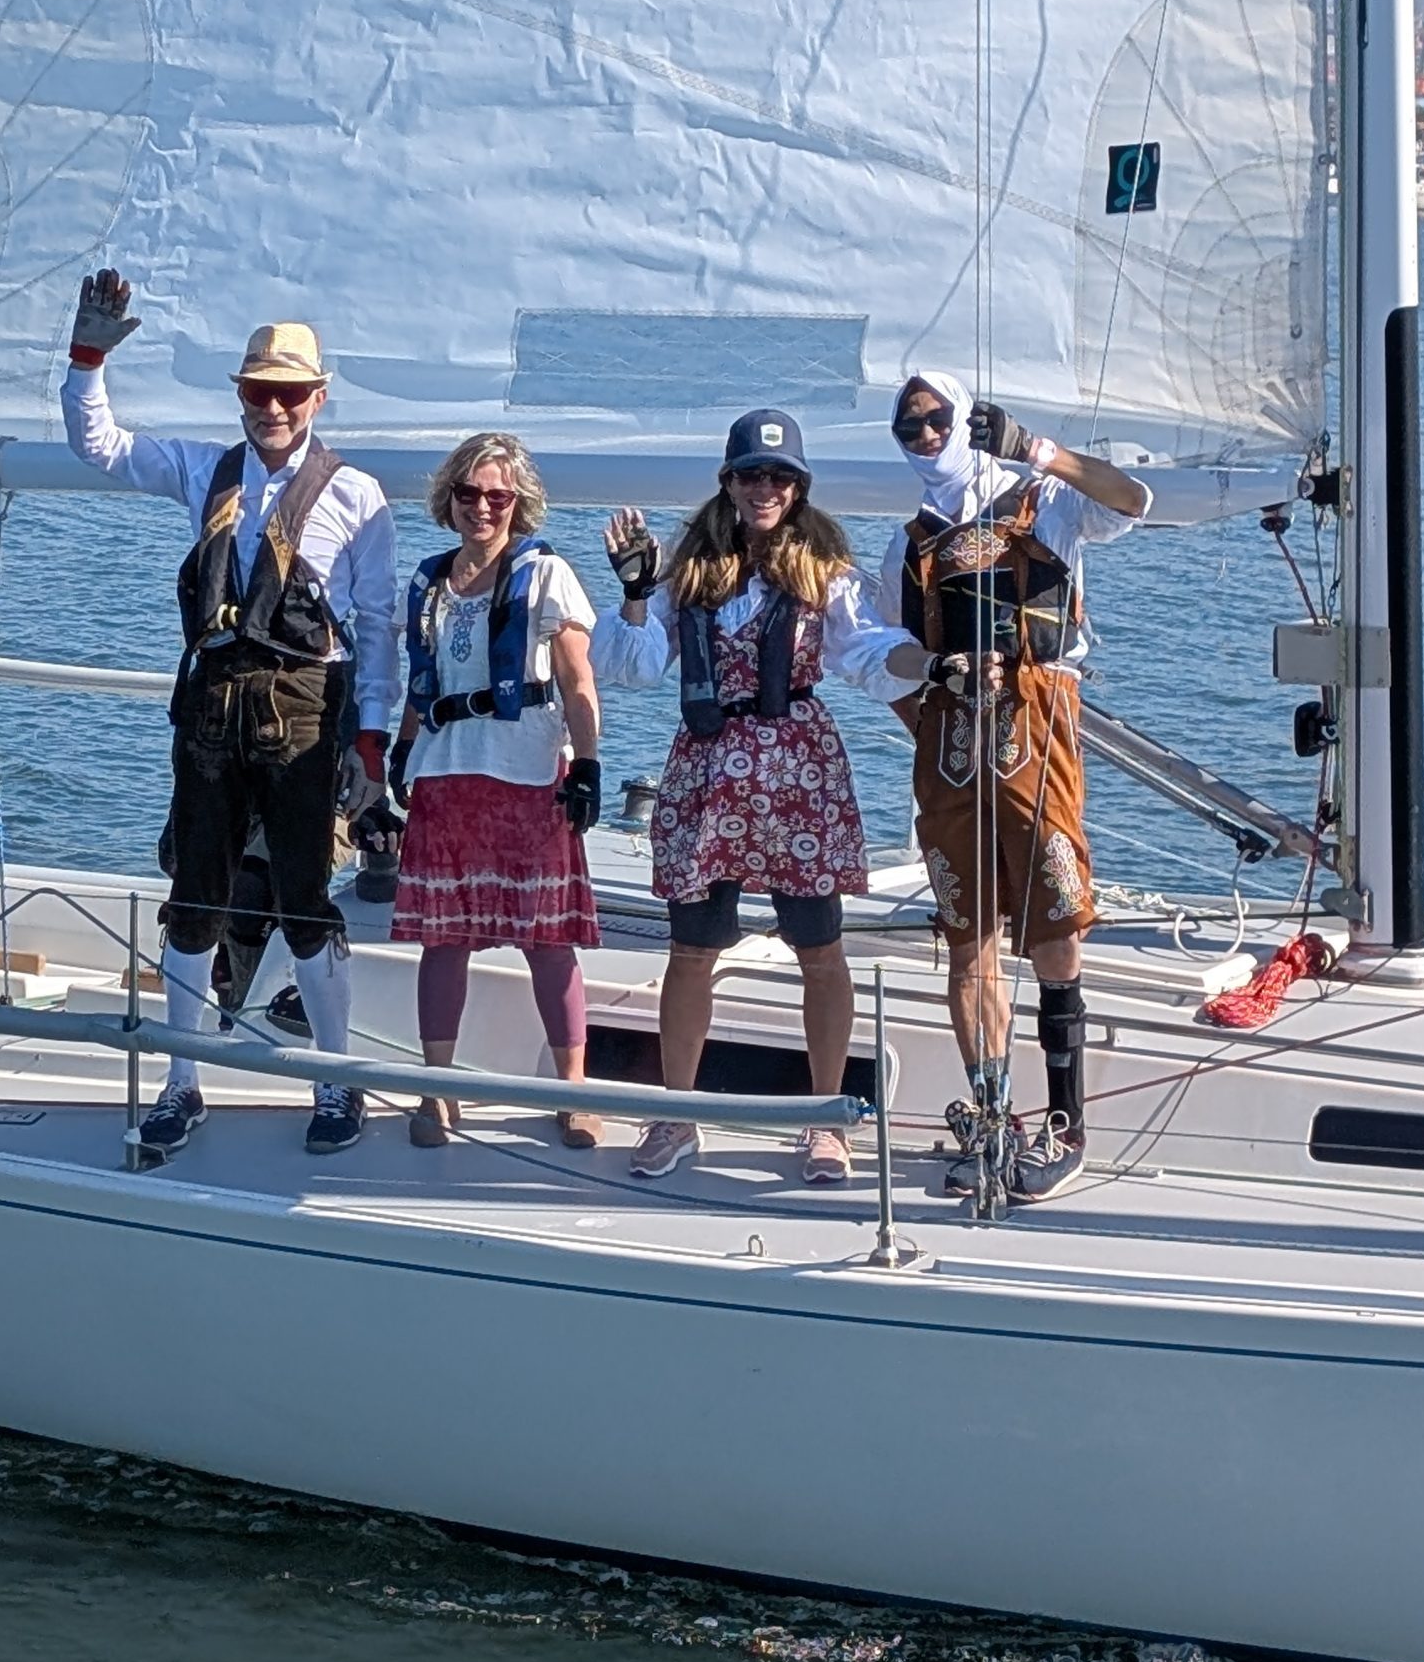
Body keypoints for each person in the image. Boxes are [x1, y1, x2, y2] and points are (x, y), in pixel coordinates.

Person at [61, 268, 399, 1158]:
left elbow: (378, 626)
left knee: (305, 901)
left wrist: (370, 740)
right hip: (211, 709)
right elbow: (99, 445)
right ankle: (182, 1080)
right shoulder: (202, 471)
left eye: (289, 393)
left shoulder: (357, 497)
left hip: (305, 712)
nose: (272, 408)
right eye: (258, 392)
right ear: (241, 397)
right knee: (194, 898)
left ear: (318, 396)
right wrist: (89, 357)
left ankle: (336, 1080)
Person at [592, 409, 953, 1182]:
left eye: (780, 477)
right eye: (752, 474)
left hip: (797, 773)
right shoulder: (689, 573)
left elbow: (868, 653)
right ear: (728, 482)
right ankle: (677, 1114)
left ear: (799, 488)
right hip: (707, 770)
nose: (766, 488)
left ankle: (826, 1120)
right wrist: (634, 592)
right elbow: (633, 667)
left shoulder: (826, 573)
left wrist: (932, 662)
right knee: (692, 949)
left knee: (818, 948)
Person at [878, 370, 1151, 1202]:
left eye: (937, 419)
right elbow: (885, 659)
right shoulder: (910, 543)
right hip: (952, 745)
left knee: (1057, 920)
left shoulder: (1044, 501)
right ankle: (994, 1116)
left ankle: (1067, 1126)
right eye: (909, 427)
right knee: (968, 937)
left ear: (966, 417)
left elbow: (1132, 499)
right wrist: (935, 714)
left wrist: (1039, 449)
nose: (926, 435)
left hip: (1038, 725)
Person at [388, 433, 603, 1150]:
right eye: (469, 493)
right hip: (446, 777)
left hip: (529, 776)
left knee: (548, 940)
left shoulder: (547, 577)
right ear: (448, 497)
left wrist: (589, 764)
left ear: (519, 503)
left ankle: (571, 1093)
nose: (482, 507)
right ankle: (438, 1090)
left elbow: (576, 679)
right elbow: (423, 681)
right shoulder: (427, 583)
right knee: (442, 941)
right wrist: (402, 749)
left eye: (498, 496)